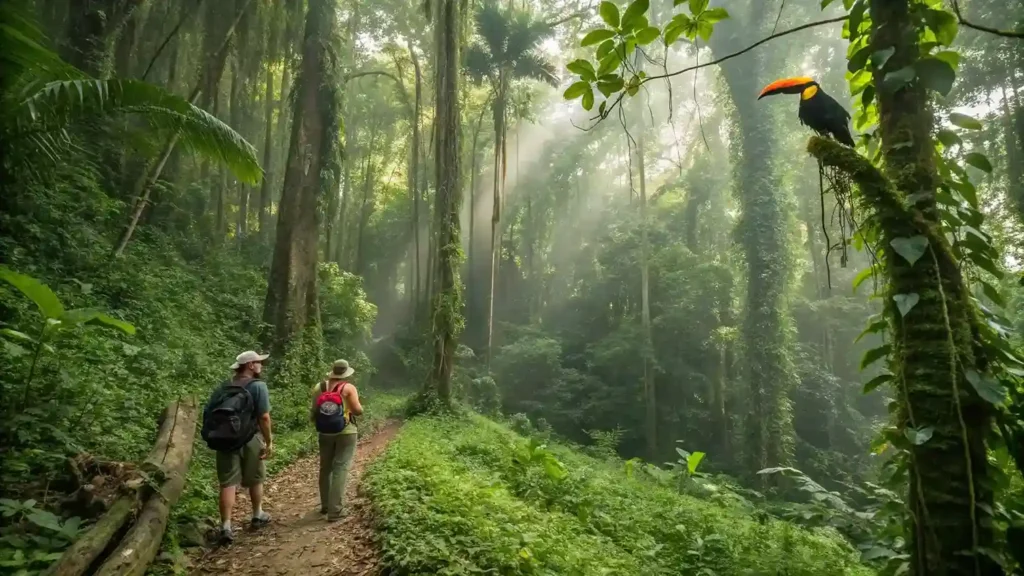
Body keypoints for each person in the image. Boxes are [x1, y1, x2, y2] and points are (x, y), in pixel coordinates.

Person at [203, 350, 274, 543]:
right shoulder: (258, 386)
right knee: (256, 477)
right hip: (250, 438)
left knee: (227, 483)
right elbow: (264, 417)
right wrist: (268, 441)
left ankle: (226, 526)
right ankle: (257, 514)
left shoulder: (223, 387)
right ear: (250, 365)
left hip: (225, 439)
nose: (261, 365)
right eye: (259, 362)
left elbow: (208, 412)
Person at [310, 359, 363, 521]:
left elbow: (314, 411)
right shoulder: (348, 388)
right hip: (346, 432)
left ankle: (325, 505)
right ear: (346, 373)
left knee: (325, 468)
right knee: (340, 467)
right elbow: (357, 410)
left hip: (325, 432)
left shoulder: (319, 387)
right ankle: (336, 511)